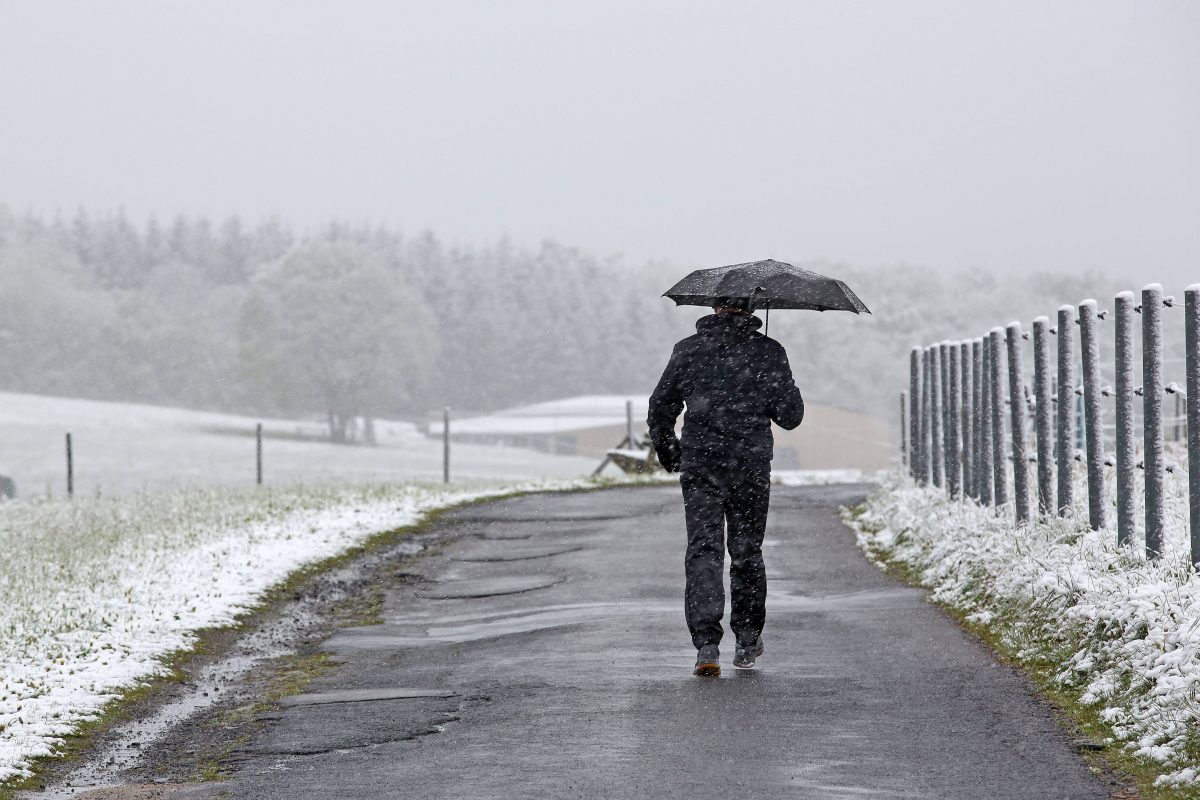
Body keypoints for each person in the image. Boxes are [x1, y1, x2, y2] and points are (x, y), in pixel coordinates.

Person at [647, 299, 804, 676]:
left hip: (701, 465)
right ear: (751, 310)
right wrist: (779, 385)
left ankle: (707, 645)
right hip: (749, 467)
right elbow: (791, 418)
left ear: (713, 308)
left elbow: (660, 408)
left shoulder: (688, 350)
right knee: (746, 551)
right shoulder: (768, 352)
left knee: (704, 550)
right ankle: (747, 641)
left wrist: (674, 455)